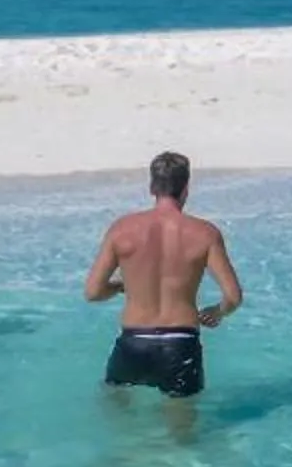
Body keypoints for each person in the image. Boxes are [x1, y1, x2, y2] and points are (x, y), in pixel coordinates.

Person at [83, 151, 244, 399]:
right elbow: (233, 297)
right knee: (181, 421)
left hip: (134, 341)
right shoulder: (205, 233)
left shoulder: (121, 229)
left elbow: (93, 292)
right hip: (180, 343)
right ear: (186, 189)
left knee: (117, 411)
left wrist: (120, 286)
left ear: (152, 187)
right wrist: (217, 312)